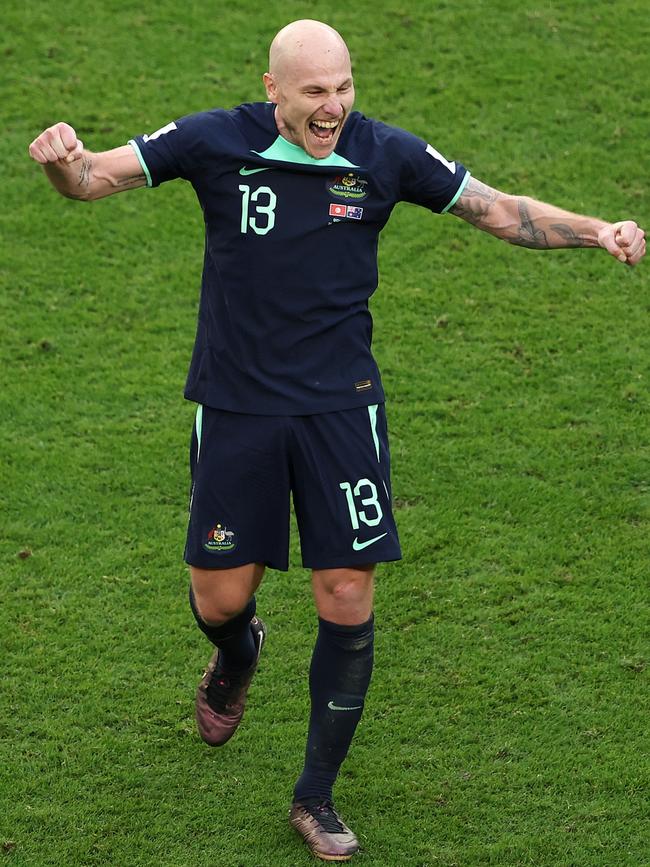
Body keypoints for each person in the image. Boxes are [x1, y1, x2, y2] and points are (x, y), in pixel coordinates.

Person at [28, 18, 645, 862]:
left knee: (346, 595)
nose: (334, 108)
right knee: (218, 598)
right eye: (315, 92)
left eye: (344, 87)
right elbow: (95, 178)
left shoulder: (383, 154)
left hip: (341, 411)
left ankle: (314, 794)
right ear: (273, 88)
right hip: (239, 407)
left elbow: (497, 212)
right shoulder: (214, 141)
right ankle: (238, 656)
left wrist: (595, 229)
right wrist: (66, 159)